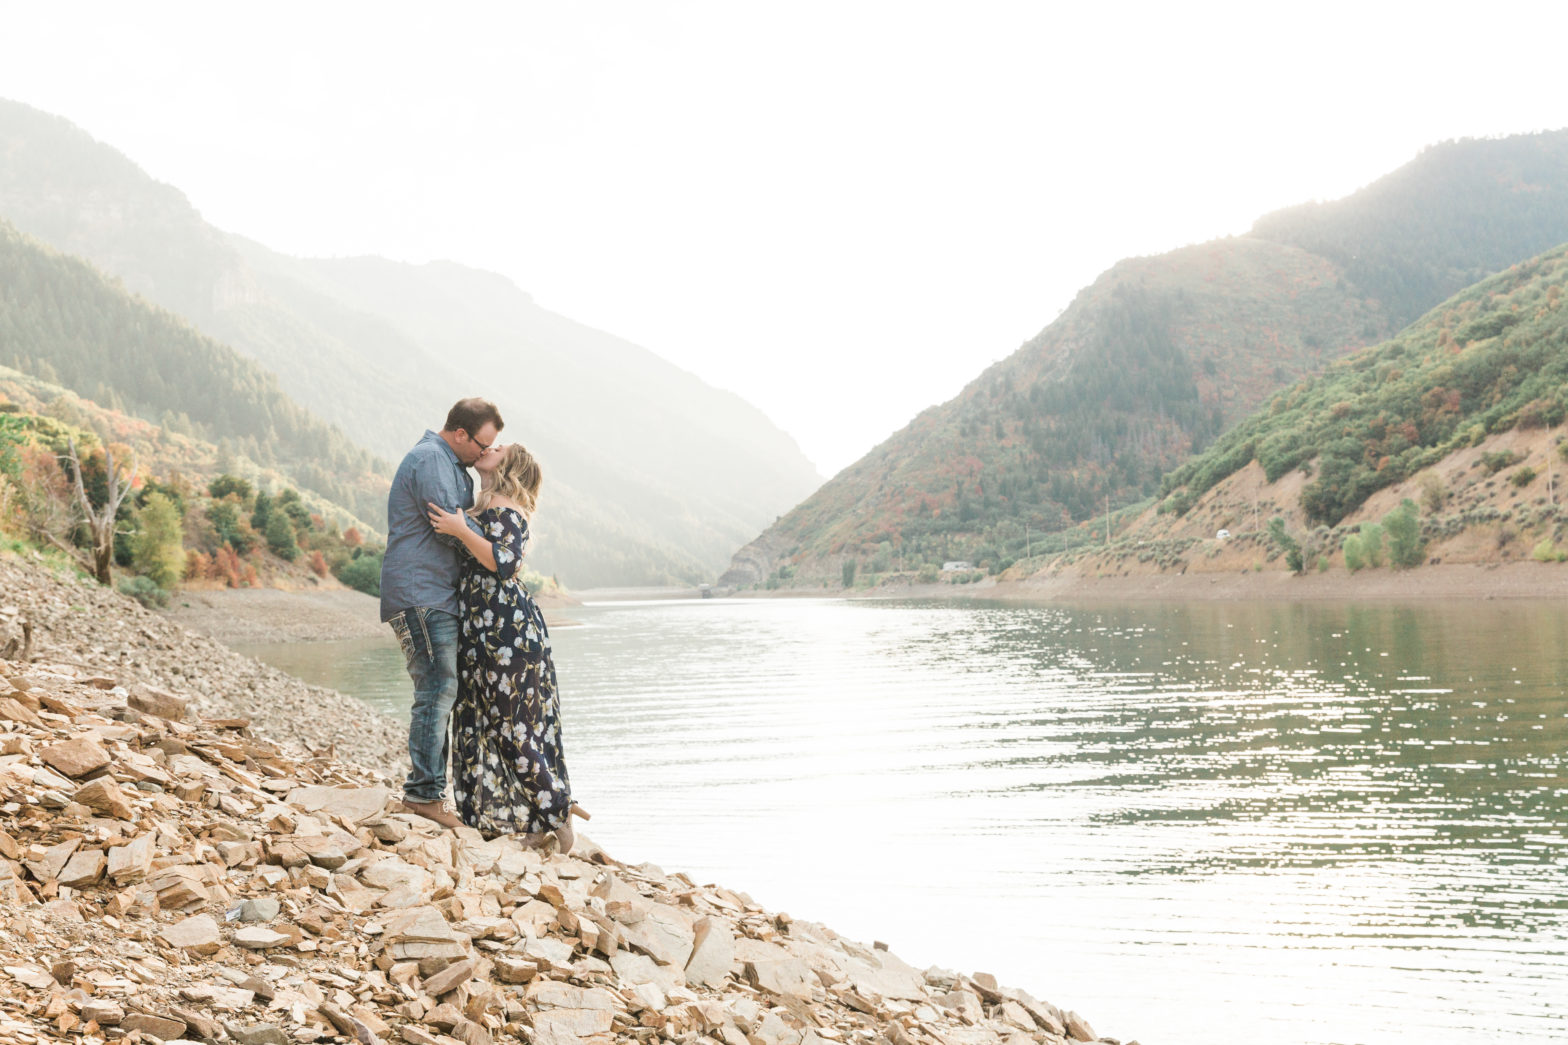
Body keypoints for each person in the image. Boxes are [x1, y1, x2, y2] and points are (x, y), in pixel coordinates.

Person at [426, 442, 584, 851]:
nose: (491, 447)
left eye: (500, 447)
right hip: (484, 629)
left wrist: (461, 530)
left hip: (508, 631)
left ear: (510, 464)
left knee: (512, 725)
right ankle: (536, 819)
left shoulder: (508, 509)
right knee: (486, 719)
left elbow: (506, 562)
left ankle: (559, 809)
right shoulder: (482, 505)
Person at [381, 397, 503, 829]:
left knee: (441, 687)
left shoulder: (451, 463)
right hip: (421, 592)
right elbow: (451, 529)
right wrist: (499, 553)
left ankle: (430, 792)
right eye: (482, 444)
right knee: (437, 686)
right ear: (460, 434)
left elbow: (462, 523)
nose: (485, 452)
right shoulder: (432, 459)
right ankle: (423, 796)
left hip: (436, 593)